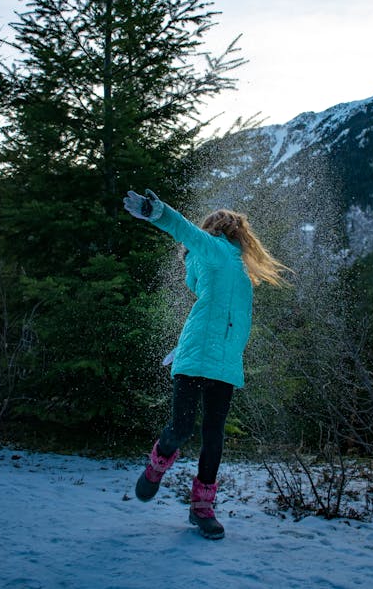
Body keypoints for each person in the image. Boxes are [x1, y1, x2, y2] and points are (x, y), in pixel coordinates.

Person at [123, 188, 289, 540]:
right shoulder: (212, 249)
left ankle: (202, 507)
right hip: (195, 355)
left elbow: (213, 302)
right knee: (183, 428)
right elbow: (183, 229)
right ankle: (157, 468)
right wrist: (157, 212)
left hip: (225, 363)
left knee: (212, 437)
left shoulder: (240, 268)